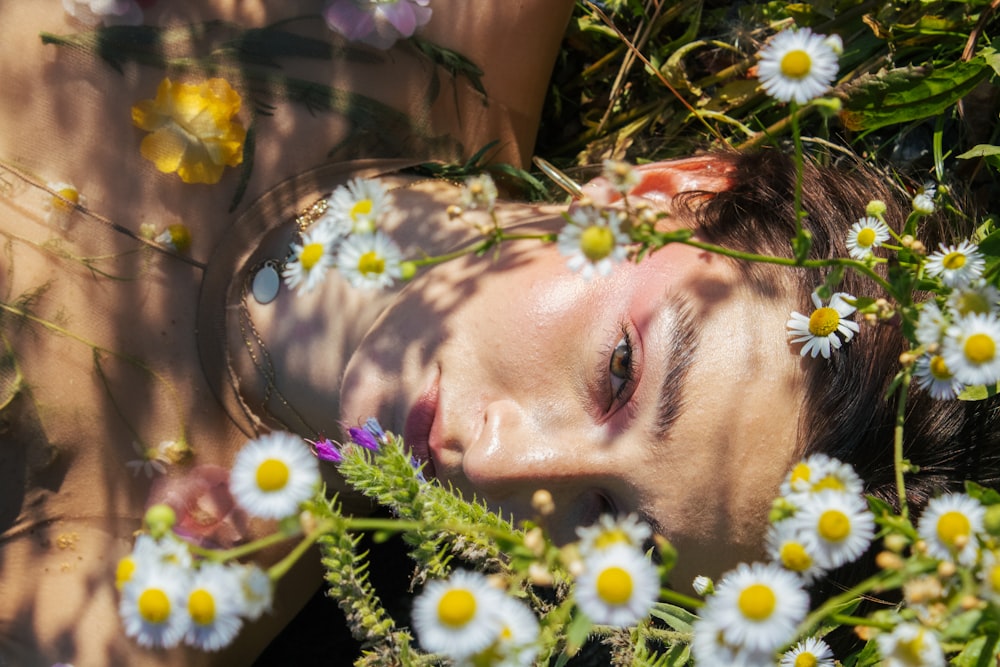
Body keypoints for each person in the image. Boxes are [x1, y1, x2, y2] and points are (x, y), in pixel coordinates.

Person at [1, 2, 998, 667]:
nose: (501, 457)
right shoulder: (442, 18)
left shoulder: (115, 612)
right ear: (669, 193)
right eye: (619, 371)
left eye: (606, 525)